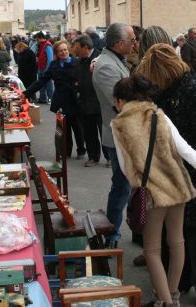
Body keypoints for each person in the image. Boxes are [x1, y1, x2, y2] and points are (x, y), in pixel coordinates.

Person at [111, 74, 196, 307]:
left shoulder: (119, 124)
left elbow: (124, 167)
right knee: (177, 242)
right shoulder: (158, 115)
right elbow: (185, 150)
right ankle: (172, 296)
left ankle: (166, 302)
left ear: (121, 101)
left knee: (151, 250)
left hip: (152, 192)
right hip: (178, 185)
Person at [136, 44, 196, 307]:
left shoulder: (192, 90)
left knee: (195, 234)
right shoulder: (166, 91)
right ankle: (179, 283)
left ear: (164, 71)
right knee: (175, 235)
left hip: (193, 173)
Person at [92, 22, 136, 249]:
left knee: (126, 186)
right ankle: (112, 234)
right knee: (122, 188)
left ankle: (125, 230)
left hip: (123, 134)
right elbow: (121, 103)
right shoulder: (107, 67)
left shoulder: (114, 61)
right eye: (132, 40)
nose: (135, 43)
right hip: (118, 136)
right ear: (120, 44)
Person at [23, 40, 86, 159]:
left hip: (76, 100)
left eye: (65, 50)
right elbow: (42, 81)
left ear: (68, 50)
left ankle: (81, 150)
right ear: (56, 53)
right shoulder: (54, 65)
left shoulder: (77, 63)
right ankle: (66, 151)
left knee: (78, 127)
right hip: (61, 101)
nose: (63, 52)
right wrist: (26, 93)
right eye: (60, 51)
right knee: (64, 128)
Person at [73, 36, 108, 166]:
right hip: (84, 102)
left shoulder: (100, 58)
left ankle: (109, 157)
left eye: (77, 49)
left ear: (86, 48)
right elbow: (74, 79)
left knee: (104, 132)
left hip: (99, 102)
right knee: (89, 132)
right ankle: (93, 156)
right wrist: (76, 90)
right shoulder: (79, 61)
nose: (75, 52)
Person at [34, 32, 54, 104]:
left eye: (36, 39)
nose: (36, 41)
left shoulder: (47, 45)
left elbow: (50, 59)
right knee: (41, 84)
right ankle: (42, 99)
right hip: (40, 68)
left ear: (39, 38)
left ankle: (50, 99)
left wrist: (47, 69)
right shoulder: (40, 45)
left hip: (45, 68)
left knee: (48, 85)